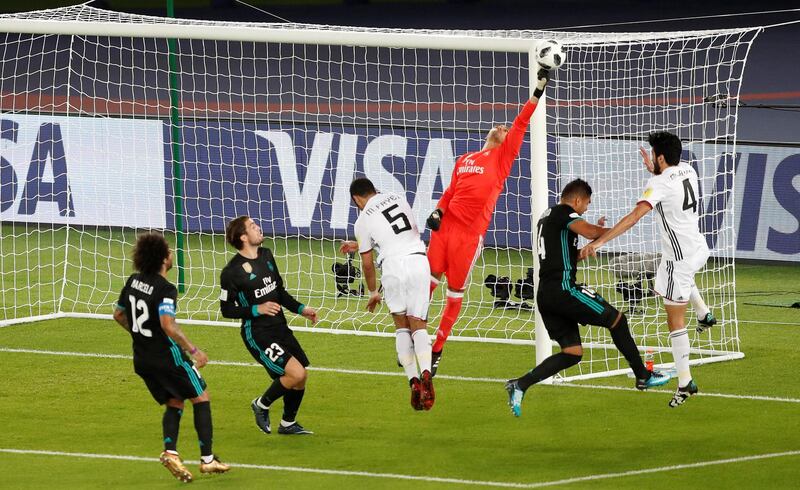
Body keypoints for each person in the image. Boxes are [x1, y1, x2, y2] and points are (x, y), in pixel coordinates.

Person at [505, 179, 670, 417]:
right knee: (617, 320)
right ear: (577, 199)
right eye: (586, 205)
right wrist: (608, 232)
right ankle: (643, 376)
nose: (586, 210)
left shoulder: (547, 216)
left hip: (547, 295)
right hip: (563, 290)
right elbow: (591, 231)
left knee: (572, 353)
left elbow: (569, 256)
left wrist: (592, 244)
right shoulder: (564, 212)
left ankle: (519, 385)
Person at [425, 66, 551, 375]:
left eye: (506, 129)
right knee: (423, 287)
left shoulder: (503, 157)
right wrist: (438, 211)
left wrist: (538, 88)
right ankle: (413, 338)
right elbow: (450, 191)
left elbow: (522, 120)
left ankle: (437, 348)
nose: (502, 127)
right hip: (444, 231)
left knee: (454, 293)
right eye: (499, 127)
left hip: (468, 236)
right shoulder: (465, 159)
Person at [580, 131, 716, 407]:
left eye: (654, 154)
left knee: (674, 320)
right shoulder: (687, 169)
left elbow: (633, 217)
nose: (651, 157)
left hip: (680, 260)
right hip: (696, 248)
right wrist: (656, 170)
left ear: (661, 157)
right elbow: (669, 179)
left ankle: (684, 382)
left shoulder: (660, 183)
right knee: (667, 279)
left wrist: (601, 241)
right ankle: (704, 313)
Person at [113, 232, 229, 483]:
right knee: (201, 397)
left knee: (175, 400)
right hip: (168, 358)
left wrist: (142, 336)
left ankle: (171, 452)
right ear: (164, 259)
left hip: (142, 359)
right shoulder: (166, 289)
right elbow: (168, 324)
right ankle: (208, 460)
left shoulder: (133, 281)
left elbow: (119, 315)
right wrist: (194, 350)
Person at [340, 177, 435, 410]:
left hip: (392, 267)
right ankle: (426, 374)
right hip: (417, 261)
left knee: (402, 326)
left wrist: (373, 292)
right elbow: (398, 233)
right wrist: (364, 243)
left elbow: (368, 264)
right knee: (419, 324)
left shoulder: (362, 220)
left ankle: (413, 380)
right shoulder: (399, 198)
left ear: (356, 199)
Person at [220, 216, 318, 434]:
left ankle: (287, 423)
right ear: (243, 237)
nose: (259, 228)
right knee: (296, 374)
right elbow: (226, 310)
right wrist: (258, 309)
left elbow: (279, 292)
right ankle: (261, 405)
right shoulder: (231, 273)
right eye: (253, 227)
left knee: (301, 377)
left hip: (279, 326)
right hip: (257, 333)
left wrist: (301, 309)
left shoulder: (266, 255)